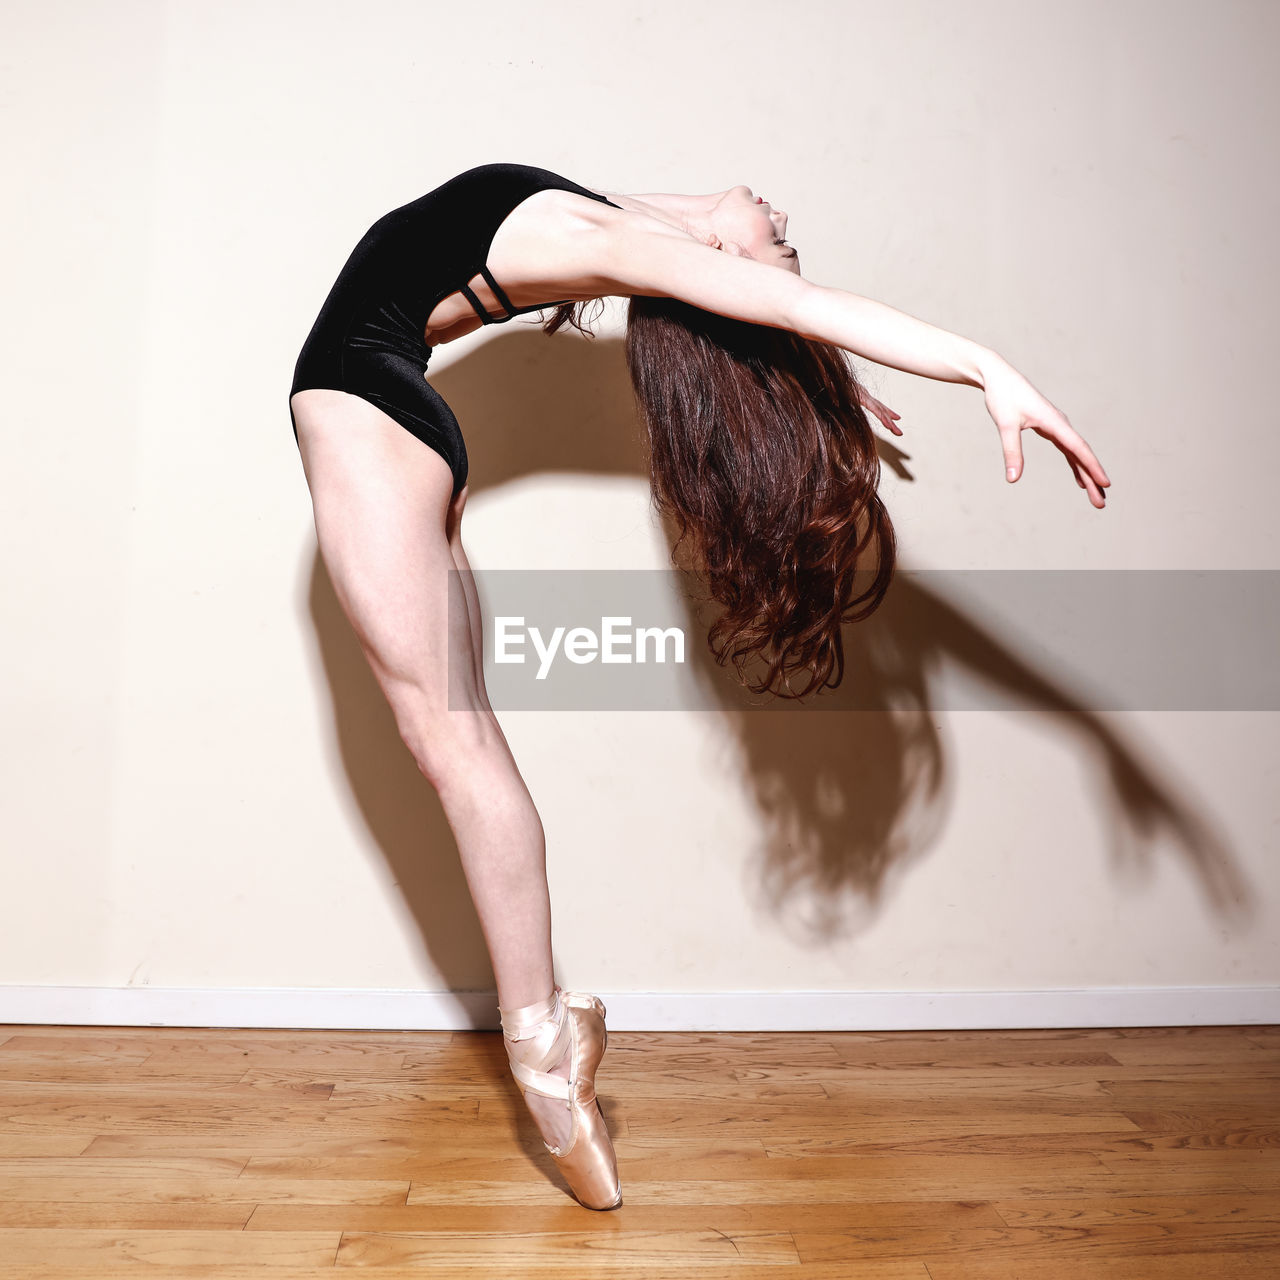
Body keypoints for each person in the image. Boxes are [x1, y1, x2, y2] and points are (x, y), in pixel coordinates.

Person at [287, 162, 1112, 1212]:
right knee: (465, 742)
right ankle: (547, 1047)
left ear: (717, 265)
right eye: (781, 239)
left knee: (453, 750)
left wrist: (980, 366)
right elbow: (753, 290)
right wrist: (806, 365)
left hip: (363, 412)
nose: (781, 221)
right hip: (394, 414)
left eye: (776, 245)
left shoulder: (625, 244)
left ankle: (543, 1060)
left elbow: (785, 299)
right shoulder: (622, 219)